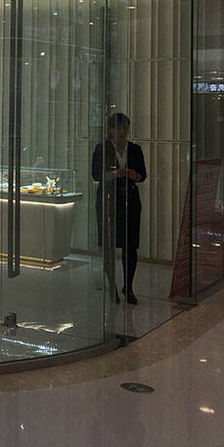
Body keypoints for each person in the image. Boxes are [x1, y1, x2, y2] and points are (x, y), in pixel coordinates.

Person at [92, 112, 146, 304]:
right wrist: (117, 174)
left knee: (130, 246)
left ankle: (128, 287)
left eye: (124, 127)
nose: (121, 132)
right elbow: (96, 175)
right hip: (109, 199)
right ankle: (112, 285)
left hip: (130, 199)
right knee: (109, 245)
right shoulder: (102, 148)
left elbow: (142, 175)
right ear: (110, 130)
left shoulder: (135, 149)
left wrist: (134, 176)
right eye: (117, 128)